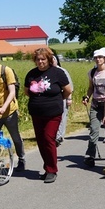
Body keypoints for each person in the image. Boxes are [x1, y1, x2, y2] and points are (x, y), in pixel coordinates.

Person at [24, 46, 72, 184]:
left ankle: (52, 170)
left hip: (53, 113)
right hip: (36, 112)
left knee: (48, 139)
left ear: (49, 59)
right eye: (38, 59)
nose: (40, 62)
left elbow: (67, 90)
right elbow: (27, 91)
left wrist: (57, 100)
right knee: (40, 141)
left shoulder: (57, 73)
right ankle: (47, 167)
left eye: (43, 59)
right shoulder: (31, 74)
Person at [81, 47, 105, 166]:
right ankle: (90, 156)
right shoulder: (92, 72)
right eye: (96, 57)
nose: (98, 59)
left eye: (100, 57)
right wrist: (87, 97)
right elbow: (91, 87)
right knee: (94, 130)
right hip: (95, 104)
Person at [53, 54, 73, 146]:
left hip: (62, 97)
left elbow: (69, 86)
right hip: (52, 99)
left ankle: (59, 136)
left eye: (53, 58)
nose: (52, 60)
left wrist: (69, 98)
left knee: (62, 117)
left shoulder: (62, 71)